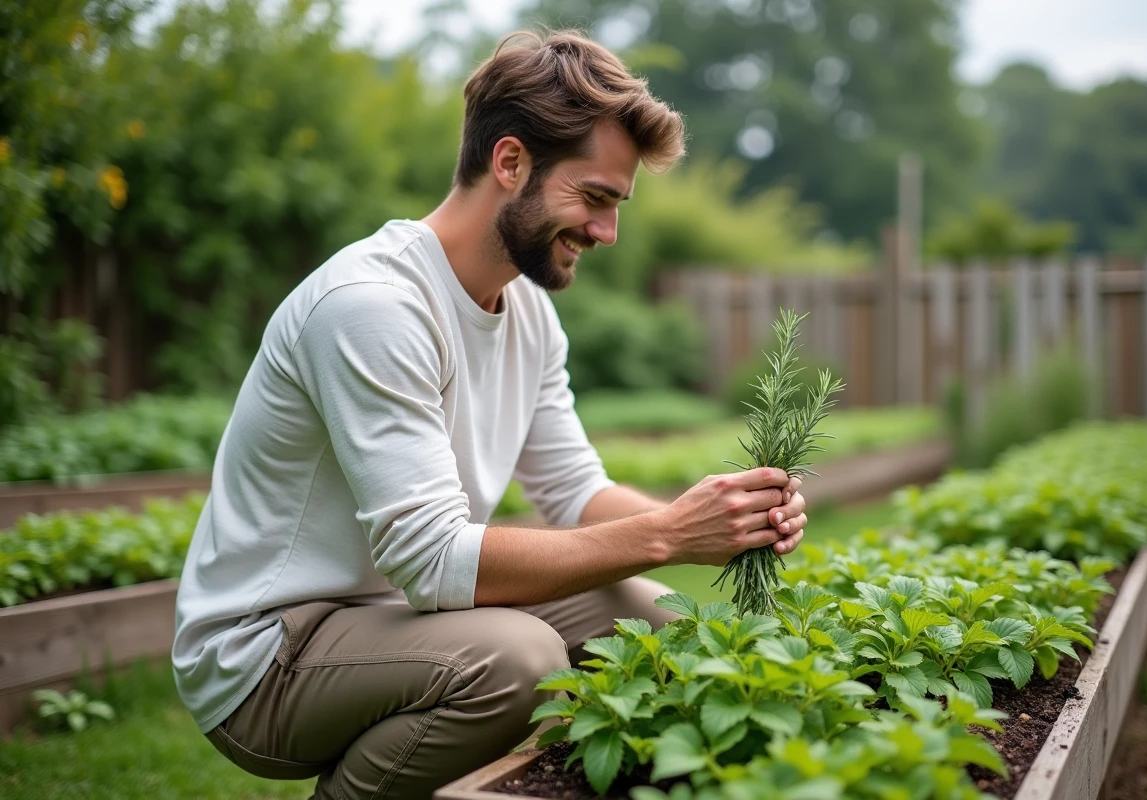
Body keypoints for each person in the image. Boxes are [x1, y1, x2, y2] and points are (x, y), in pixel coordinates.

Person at [172, 29, 808, 800]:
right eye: (595, 197)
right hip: (268, 653)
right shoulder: (373, 306)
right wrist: (668, 534)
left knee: (656, 618)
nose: (607, 232)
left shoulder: (530, 314)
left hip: (396, 617)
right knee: (517, 659)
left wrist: (721, 517)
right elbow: (434, 562)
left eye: (617, 204)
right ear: (510, 163)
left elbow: (573, 490)